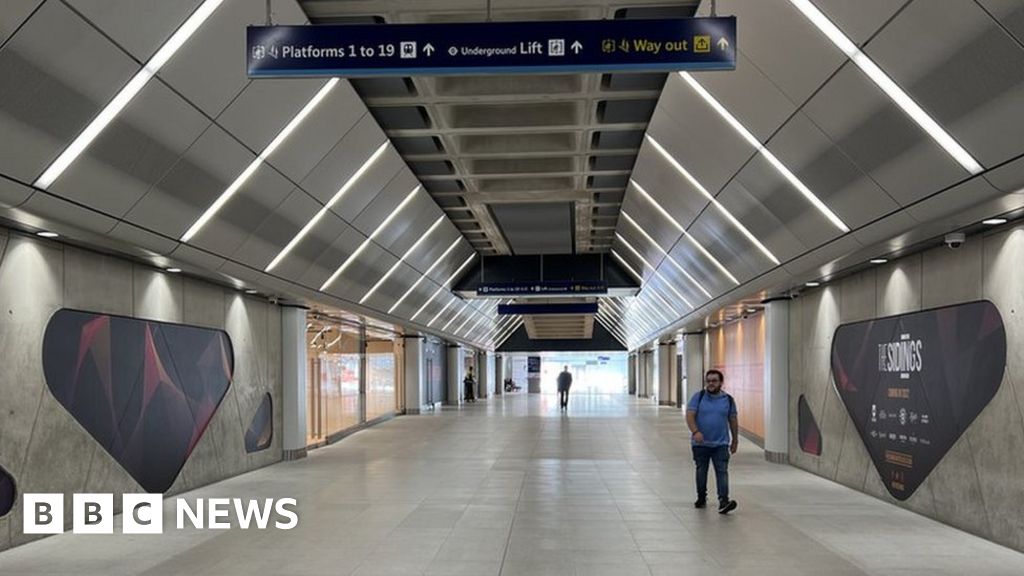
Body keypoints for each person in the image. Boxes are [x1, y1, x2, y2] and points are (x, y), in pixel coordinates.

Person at [685, 369, 738, 514]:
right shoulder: (699, 397)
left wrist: (735, 440)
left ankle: (724, 501)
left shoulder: (728, 400)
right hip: (700, 444)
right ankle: (701, 497)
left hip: (721, 444)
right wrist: (695, 432)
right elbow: (690, 415)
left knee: (722, 472)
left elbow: (733, 420)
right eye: (708, 381)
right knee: (701, 471)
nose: (711, 384)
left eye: (714, 381)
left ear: (721, 382)